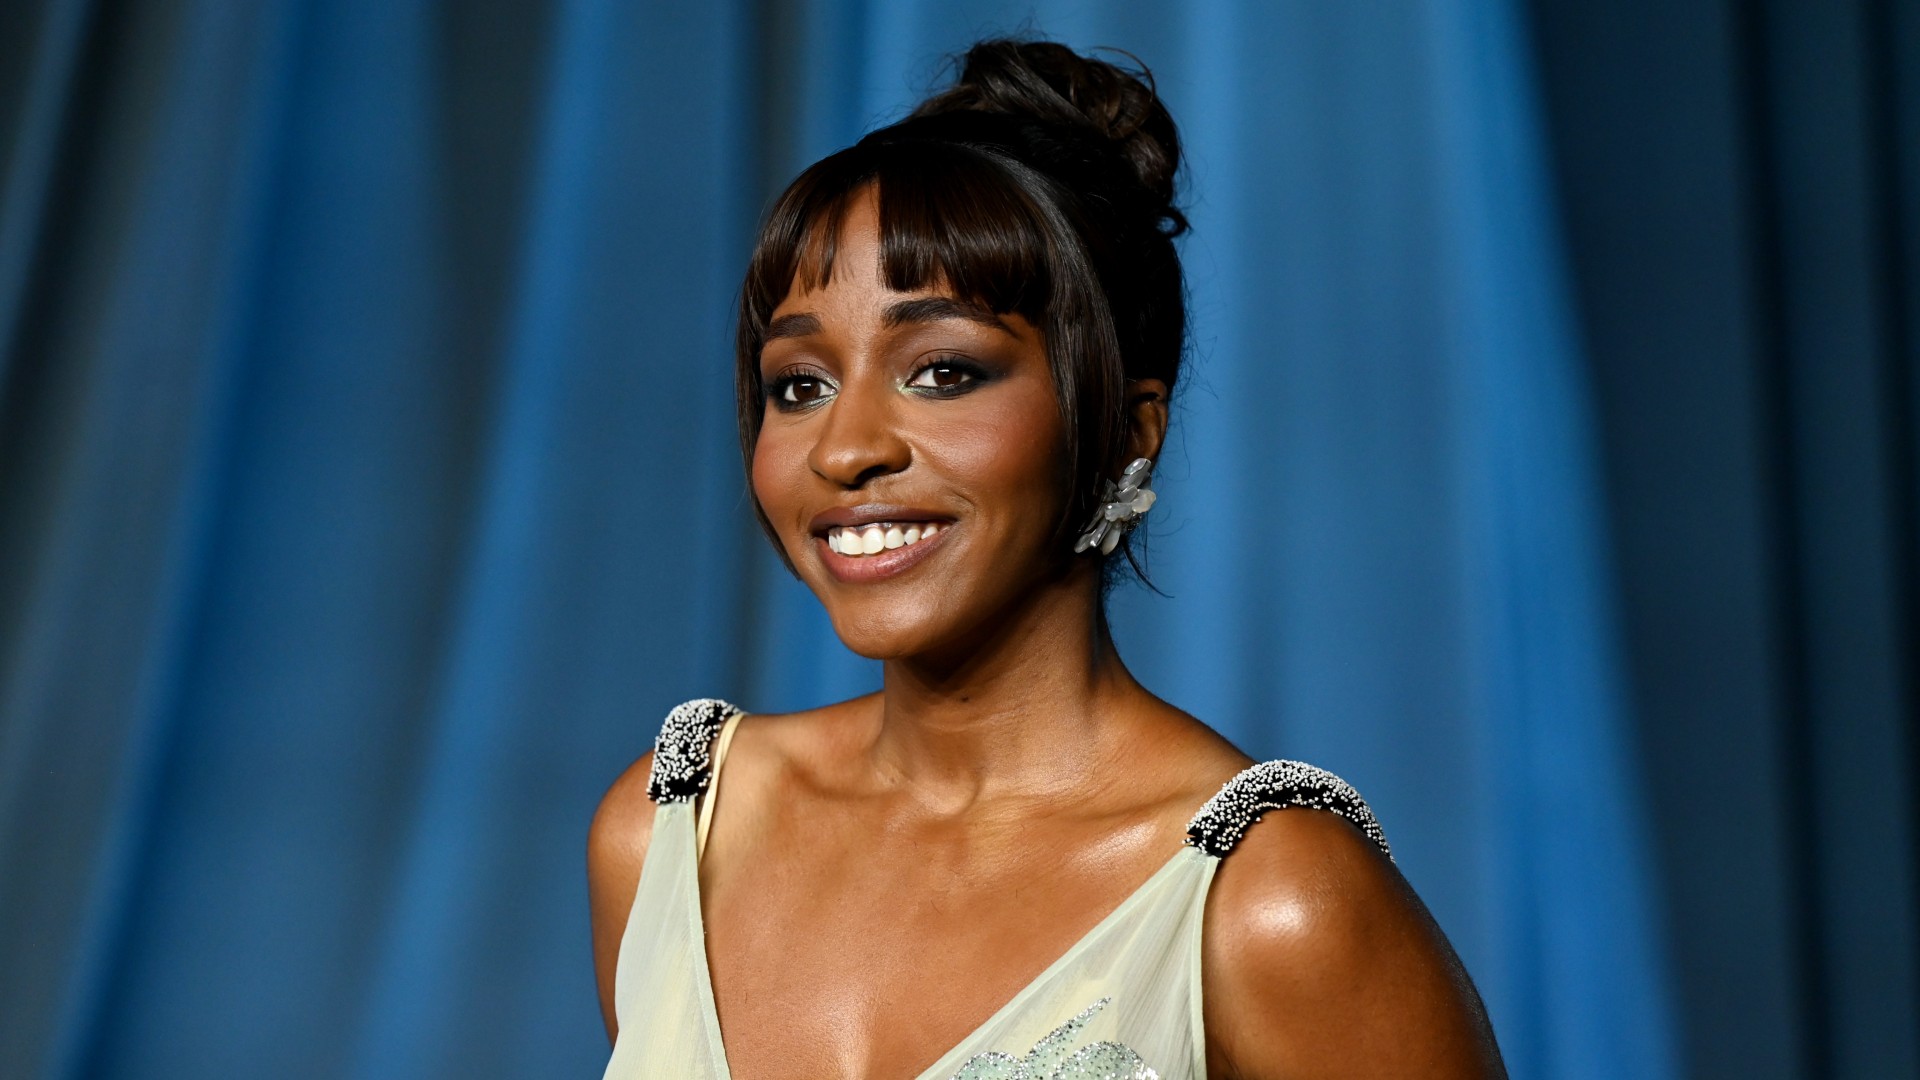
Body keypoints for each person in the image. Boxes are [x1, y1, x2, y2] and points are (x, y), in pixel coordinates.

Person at [588, 38, 1506, 1080]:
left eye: (942, 371)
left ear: (1125, 426)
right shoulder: (673, 834)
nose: (845, 449)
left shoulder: (1266, 903)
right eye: (798, 384)